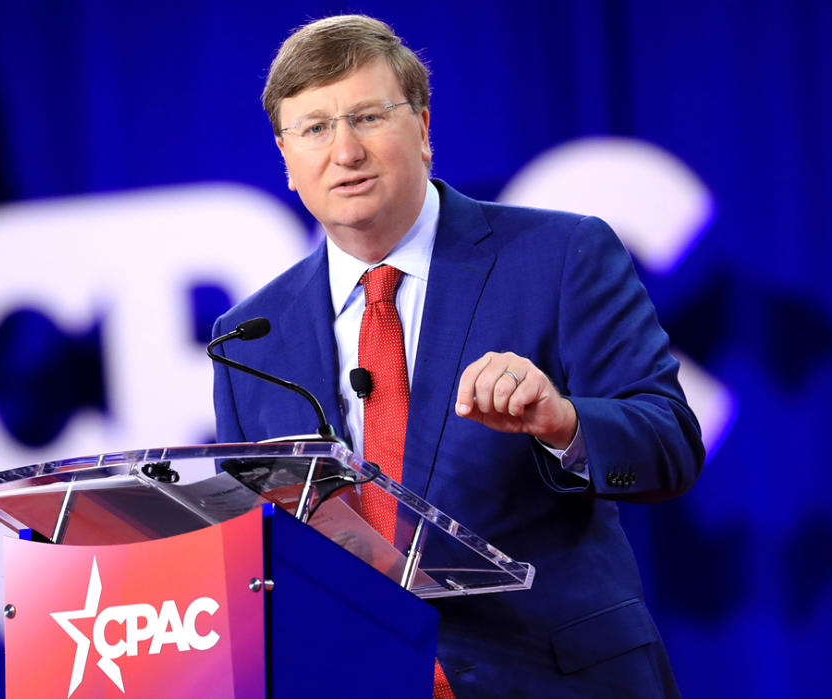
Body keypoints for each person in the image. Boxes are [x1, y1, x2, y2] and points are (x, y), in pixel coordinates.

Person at [211, 14, 704, 698]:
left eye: (368, 117)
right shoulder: (250, 335)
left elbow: (670, 443)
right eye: (315, 128)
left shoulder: (560, 257)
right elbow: (263, 549)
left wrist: (563, 422)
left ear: (423, 129)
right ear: (286, 159)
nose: (345, 150)